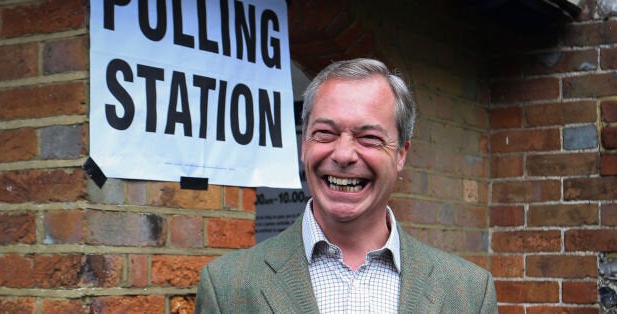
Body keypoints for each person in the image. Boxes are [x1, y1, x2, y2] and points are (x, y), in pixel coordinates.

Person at [195, 58, 498, 313]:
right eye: (325, 133)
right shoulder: (228, 287)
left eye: (369, 138)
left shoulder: (468, 292)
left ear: (401, 154)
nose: (342, 155)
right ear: (304, 145)